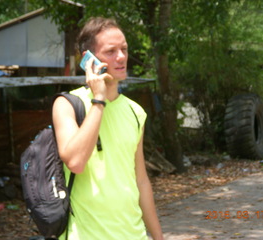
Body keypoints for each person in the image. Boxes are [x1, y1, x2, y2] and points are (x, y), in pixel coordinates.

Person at [52, 17, 164, 240]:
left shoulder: (136, 112)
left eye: (124, 49)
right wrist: (99, 99)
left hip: (134, 235)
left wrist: (158, 237)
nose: (121, 57)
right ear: (89, 59)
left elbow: (140, 180)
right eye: (111, 51)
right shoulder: (67, 105)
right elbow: (75, 162)